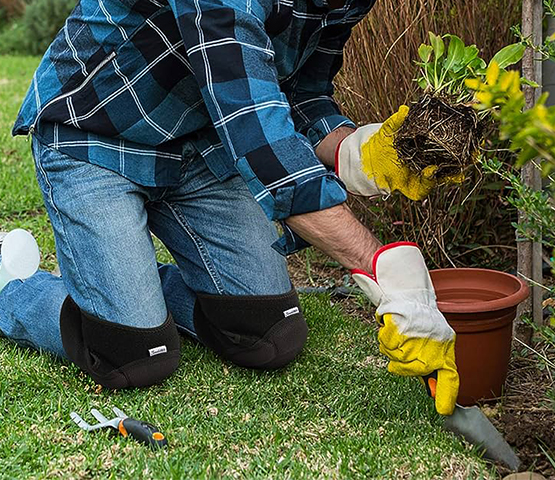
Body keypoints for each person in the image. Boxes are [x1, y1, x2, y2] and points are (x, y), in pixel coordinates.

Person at [2, 0, 459, 415]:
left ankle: (123, 282)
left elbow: (302, 91)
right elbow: (259, 136)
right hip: (96, 135)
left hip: (198, 149)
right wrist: (382, 269)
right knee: (133, 358)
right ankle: (12, 286)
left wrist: (355, 150)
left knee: (269, 337)